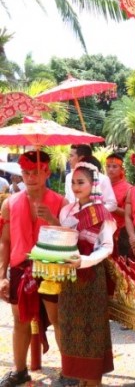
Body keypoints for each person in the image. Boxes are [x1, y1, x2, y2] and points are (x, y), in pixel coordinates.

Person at [0, 151, 67, 387]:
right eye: (26, 173)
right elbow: (5, 242)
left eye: (36, 172)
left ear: (46, 172)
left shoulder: (60, 202)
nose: (31, 177)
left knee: (58, 319)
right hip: (20, 268)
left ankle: (68, 371)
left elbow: (71, 237)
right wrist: (2, 275)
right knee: (20, 321)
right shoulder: (9, 203)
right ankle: (19, 371)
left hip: (50, 267)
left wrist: (53, 219)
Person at [59, 162, 115, 386]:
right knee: (70, 331)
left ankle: (92, 382)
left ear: (93, 185)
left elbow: (107, 247)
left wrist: (85, 261)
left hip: (92, 279)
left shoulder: (103, 213)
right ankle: (81, 381)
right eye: (73, 182)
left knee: (91, 336)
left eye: (80, 182)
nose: (75, 186)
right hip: (69, 279)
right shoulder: (67, 211)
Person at [65, 145, 117, 213]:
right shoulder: (69, 177)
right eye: (73, 183)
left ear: (81, 158)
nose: (69, 159)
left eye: (71, 156)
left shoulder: (102, 178)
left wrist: (93, 212)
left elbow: (112, 204)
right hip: (72, 220)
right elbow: (68, 198)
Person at [105, 153, 132, 258]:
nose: (111, 169)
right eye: (108, 166)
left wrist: (112, 207)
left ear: (122, 169)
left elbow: (129, 214)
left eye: (114, 166)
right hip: (102, 231)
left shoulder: (128, 188)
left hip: (121, 233)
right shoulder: (100, 185)